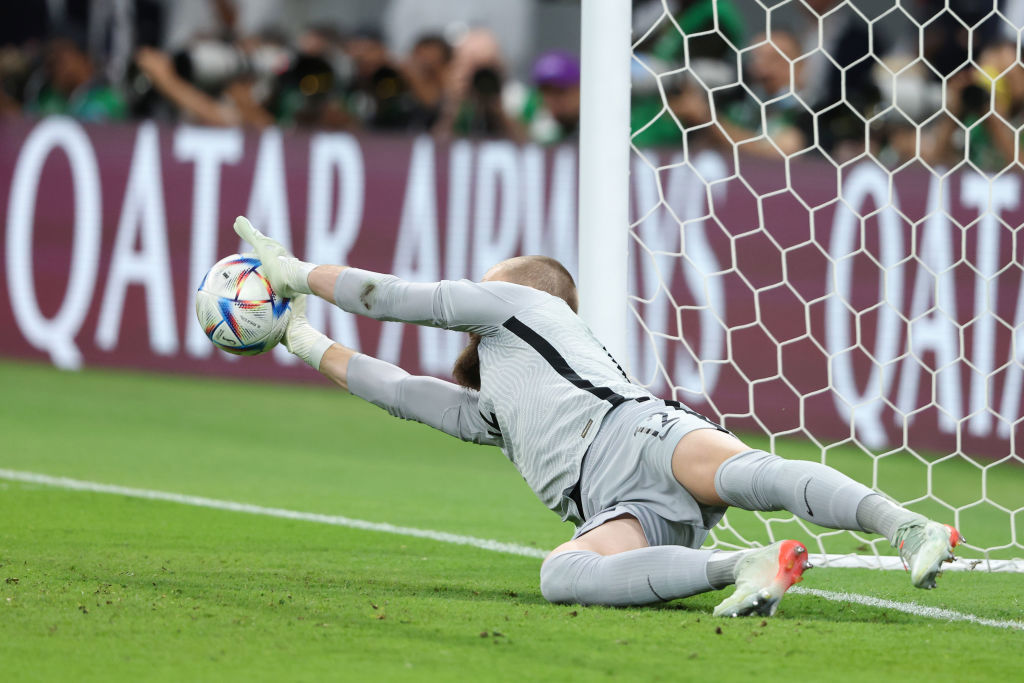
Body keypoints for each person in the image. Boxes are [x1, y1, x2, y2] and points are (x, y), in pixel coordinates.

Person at [230, 216, 963, 618]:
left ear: (521, 289)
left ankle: (908, 525)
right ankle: (739, 564)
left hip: (637, 433)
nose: (471, 298)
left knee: (755, 476)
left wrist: (296, 274)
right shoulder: (496, 408)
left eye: (485, 284)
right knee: (562, 574)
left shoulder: (524, 304)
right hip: (614, 506)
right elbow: (397, 389)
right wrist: (299, 337)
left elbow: (389, 296)